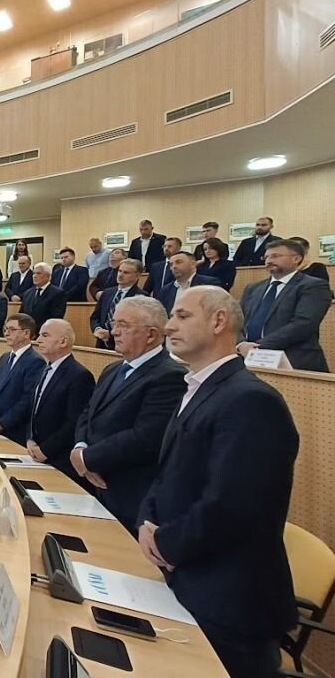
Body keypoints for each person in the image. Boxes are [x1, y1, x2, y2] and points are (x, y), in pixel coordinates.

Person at [139, 287, 298, 678]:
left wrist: (165, 543)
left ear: (219, 321)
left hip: (228, 599)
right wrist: (147, 521)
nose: (169, 326)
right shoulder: (200, 388)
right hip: (187, 574)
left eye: (182, 316)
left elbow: (232, 506)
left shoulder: (250, 400)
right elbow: (168, 472)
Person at [71, 297, 186, 532]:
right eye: (114, 324)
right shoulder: (112, 369)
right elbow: (88, 413)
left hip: (129, 494)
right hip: (95, 484)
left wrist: (87, 459)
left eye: (123, 325)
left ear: (151, 335)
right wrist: (80, 447)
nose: (114, 331)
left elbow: (145, 437)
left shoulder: (170, 376)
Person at [238, 238, 332, 372]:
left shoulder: (313, 286)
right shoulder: (253, 288)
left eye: (275, 256)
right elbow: (236, 321)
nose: (268, 261)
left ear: (296, 259)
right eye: (266, 257)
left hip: (294, 360)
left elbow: (304, 324)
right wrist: (241, 344)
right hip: (248, 358)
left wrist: (258, 346)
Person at [28, 319, 95, 482]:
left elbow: (75, 422)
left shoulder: (79, 376)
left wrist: (45, 450)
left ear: (63, 342)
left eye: (45, 335)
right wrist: (30, 438)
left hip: (60, 460)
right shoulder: (45, 369)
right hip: (35, 451)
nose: (38, 340)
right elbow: (34, 409)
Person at [0, 313, 46, 442]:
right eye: (5, 329)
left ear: (26, 333)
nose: (6, 334)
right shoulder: (4, 357)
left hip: (15, 431)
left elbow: (28, 400)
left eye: (12, 330)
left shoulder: (35, 361)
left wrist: (2, 423)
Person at [90, 259, 142, 350]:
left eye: (126, 272)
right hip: (101, 344)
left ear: (137, 276)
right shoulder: (107, 292)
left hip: (125, 346)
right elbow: (95, 317)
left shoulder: (141, 297)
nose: (120, 275)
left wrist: (110, 333)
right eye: (120, 271)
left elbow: (135, 325)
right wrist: (97, 329)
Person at [156, 251, 219, 315]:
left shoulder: (209, 284)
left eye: (178, 262)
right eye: (171, 264)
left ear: (193, 264)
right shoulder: (165, 291)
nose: (174, 266)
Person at [20, 262, 67, 331]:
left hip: (46, 331)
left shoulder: (57, 293)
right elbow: (22, 314)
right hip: (28, 331)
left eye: (38, 273)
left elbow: (56, 316)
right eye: (33, 273)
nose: (34, 276)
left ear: (48, 276)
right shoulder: (27, 293)